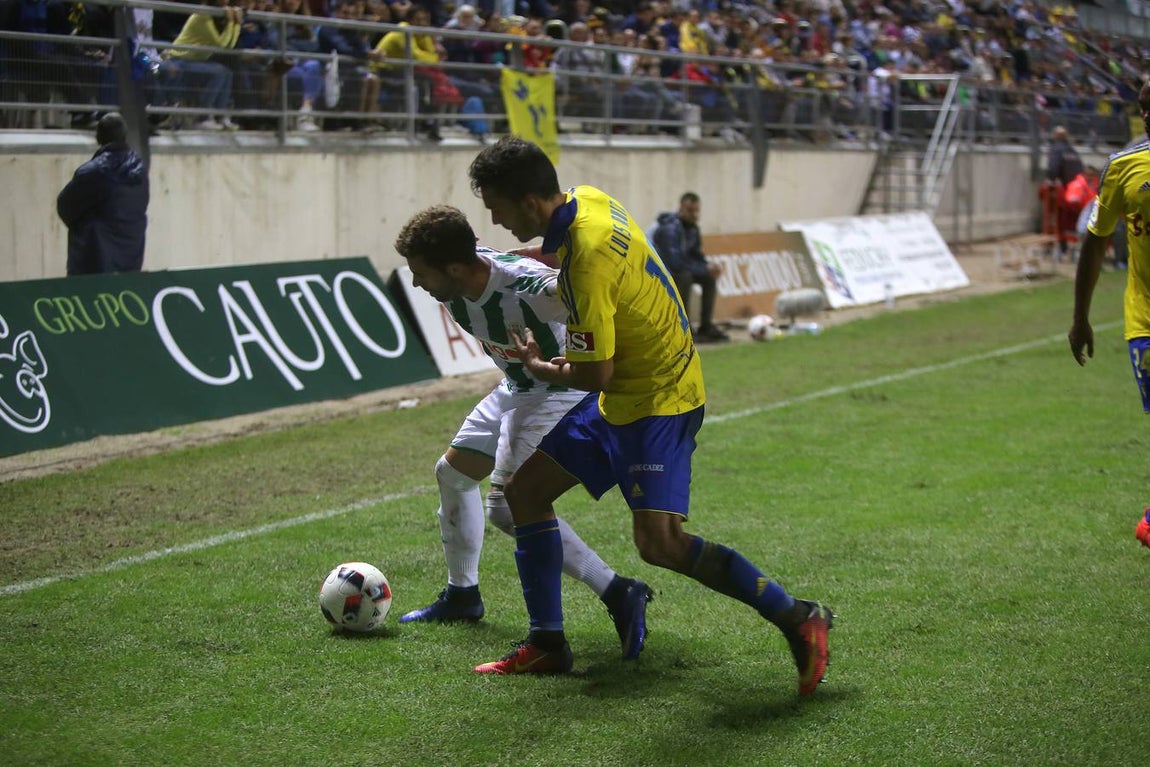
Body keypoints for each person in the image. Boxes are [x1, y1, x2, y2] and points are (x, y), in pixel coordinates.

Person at [466, 136, 834, 695]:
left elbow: (594, 376)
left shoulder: (585, 256)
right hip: (630, 386)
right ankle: (548, 644)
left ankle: (798, 617)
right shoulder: (588, 200)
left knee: (660, 544)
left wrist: (542, 367)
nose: (493, 217)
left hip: (660, 397)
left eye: (495, 205)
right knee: (524, 494)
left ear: (528, 201)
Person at [392, 206, 653, 657]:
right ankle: (463, 595)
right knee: (452, 475)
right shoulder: (465, 272)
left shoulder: (527, 288)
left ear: (454, 267)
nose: (416, 283)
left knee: (509, 509)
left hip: (557, 393)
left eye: (420, 273)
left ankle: (617, 590)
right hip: (517, 384)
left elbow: (590, 289)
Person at [1067, 80, 1150, 550]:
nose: (1148, 115)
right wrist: (1081, 317)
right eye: (1144, 108)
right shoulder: (1123, 165)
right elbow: (1096, 241)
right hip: (1146, 320)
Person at [56, 112, 149, 276]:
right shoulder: (141, 172)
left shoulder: (92, 172)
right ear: (124, 136)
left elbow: (65, 206)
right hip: (131, 261)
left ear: (98, 137)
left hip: (93, 263)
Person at [648, 192, 729, 342]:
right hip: (659, 271)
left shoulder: (692, 229)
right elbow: (674, 262)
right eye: (690, 211)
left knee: (708, 278)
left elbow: (695, 254)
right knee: (684, 277)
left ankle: (706, 326)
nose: (694, 215)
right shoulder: (670, 229)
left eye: (696, 211)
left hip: (680, 268)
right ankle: (684, 328)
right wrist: (703, 269)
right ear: (681, 208)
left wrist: (708, 266)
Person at [1045, 125, 1086, 256]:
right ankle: (1075, 246)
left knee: (1060, 220)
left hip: (1064, 190)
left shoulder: (1056, 149)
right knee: (1075, 219)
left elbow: (1053, 169)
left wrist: (1051, 179)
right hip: (1078, 190)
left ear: (1055, 136)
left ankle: (1062, 247)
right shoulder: (1073, 150)